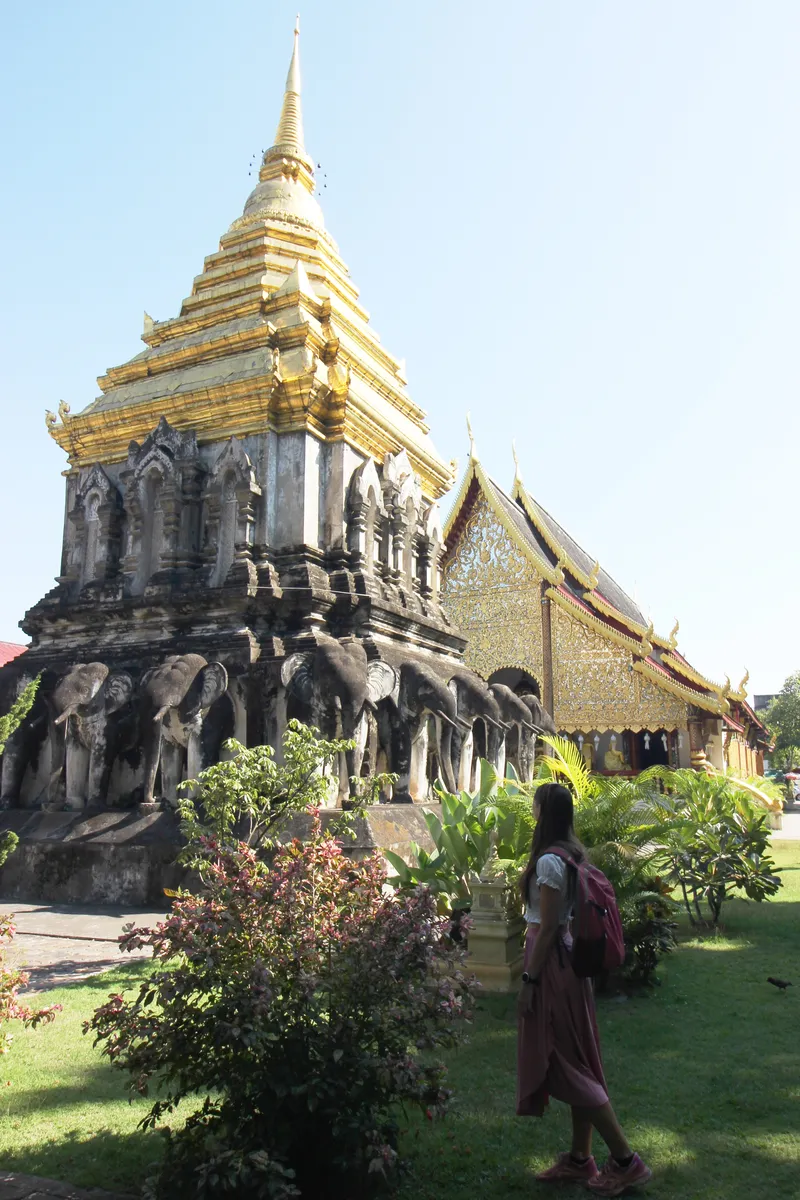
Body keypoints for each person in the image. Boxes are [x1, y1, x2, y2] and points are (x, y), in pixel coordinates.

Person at [516, 781, 652, 1196]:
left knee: (567, 1063)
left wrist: (529, 980)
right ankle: (580, 1158)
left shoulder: (549, 863)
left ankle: (626, 1161)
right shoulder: (570, 854)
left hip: (553, 964)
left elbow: (550, 926)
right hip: (568, 963)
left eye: (535, 804)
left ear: (543, 811)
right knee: (577, 1058)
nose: (532, 809)